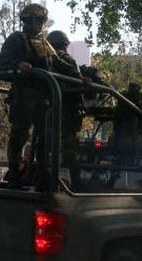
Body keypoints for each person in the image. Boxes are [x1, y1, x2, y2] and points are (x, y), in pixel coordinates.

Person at [0, 3, 53, 187]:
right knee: (19, 136)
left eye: (43, 20)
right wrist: (18, 65)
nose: (40, 24)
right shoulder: (16, 39)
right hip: (23, 96)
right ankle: (15, 174)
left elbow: (59, 63)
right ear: (26, 20)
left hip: (43, 98)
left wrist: (79, 76)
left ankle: (42, 174)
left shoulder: (44, 43)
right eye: (37, 19)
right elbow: (2, 63)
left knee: (46, 137)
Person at [47, 30, 85, 188]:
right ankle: (75, 182)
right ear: (63, 44)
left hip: (52, 109)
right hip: (68, 110)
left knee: (48, 145)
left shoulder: (46, 60)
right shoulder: (64, 58)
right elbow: (76, 76)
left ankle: (46, 180)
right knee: (69, 147)